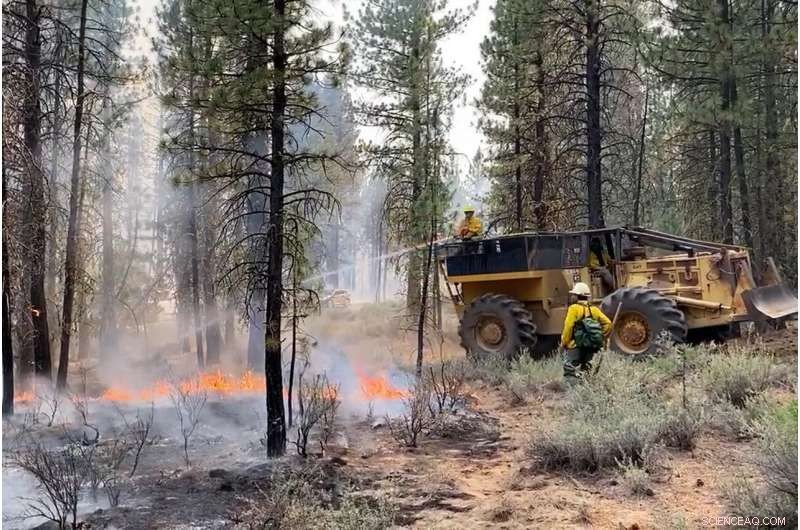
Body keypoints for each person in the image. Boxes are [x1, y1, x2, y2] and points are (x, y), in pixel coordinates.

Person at [561, 282, 612, 380]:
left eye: (573, 295)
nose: (572, 297)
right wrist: (601, 337)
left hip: (574, 346)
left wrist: (564, 342)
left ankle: (572, 392)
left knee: (570, 370)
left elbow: (568, 327)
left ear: (577, 296)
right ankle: (586, 390)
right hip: (590, 346)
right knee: (587, 369)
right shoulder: (594, 310)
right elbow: (608, 324)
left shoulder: (573, 309)